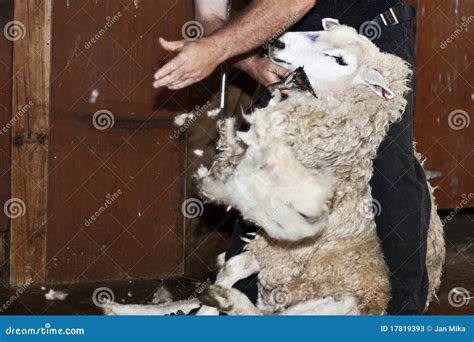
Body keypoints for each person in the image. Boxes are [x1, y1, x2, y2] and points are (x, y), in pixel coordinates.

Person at [154, 0, 431, 315]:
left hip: (367, 35)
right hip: (294, 40)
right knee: (262, 161)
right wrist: (252, 63)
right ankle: (236, 301)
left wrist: (215, 49)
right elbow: (211, 15)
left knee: (387, 163)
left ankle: (405, 313)